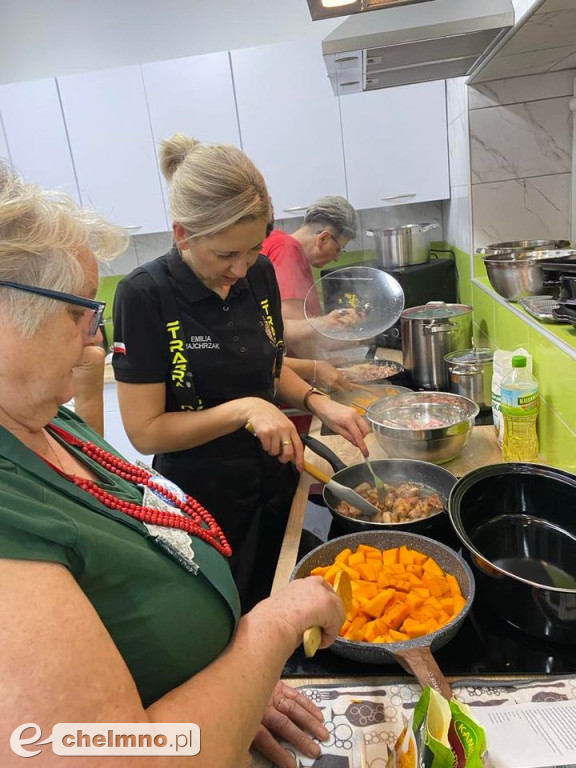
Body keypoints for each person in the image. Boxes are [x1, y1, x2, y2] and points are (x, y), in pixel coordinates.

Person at [0, 164, 346, 768]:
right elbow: (114, 756)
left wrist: (236, 684)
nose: (97, 343)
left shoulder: (50, 421)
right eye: (81, 313)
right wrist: (270, 631)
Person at [112, 134, 370, 611]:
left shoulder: (260, 274)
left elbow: (267, 369)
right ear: (182, 234)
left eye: (252, 249)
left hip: (274, 479)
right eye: (225, 254)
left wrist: (317, 400)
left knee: (279, 606)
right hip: (203, 502)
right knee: (227, 621)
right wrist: (245, 410)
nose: (241, 268)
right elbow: (145, 432)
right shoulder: (144, 295)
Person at [261, 195, 362, 364]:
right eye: (339, 249)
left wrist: (350, 338)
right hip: (286, 375)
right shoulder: (287, 250)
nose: (337, 258)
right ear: (323, 238)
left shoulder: (282, 246)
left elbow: (308, 333)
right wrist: (326, 367)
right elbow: (293, 336)